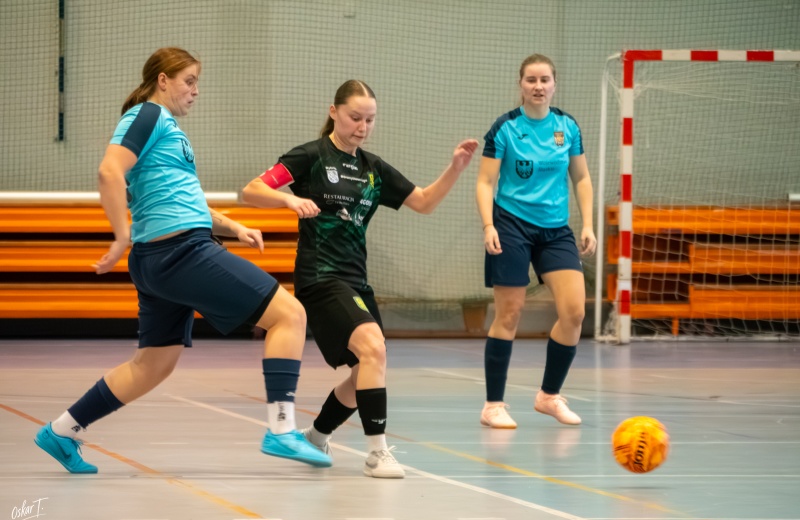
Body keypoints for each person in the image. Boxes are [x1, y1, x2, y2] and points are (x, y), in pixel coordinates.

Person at [33, 47, 331, 473]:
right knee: (290, 315)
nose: (195, 90)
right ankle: (282, 430)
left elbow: (180, 201)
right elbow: (108, 172)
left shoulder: (165, 128)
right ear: (163, 80)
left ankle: (62, 431)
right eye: (189, 80)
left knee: (153, 364)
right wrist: (120, 235)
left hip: (162, 257)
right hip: (180, 253)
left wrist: (234, 227)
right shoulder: (147, 115)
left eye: (196, 82)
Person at [242, 80, 478, 478]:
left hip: (357, 280)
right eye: (355, 117)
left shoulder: (373, 169)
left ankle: (317, 436)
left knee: (367, 367)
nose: (362, 126)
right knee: (373, 349)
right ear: (333, 111)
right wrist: (289, 198)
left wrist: (454, 168)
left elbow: (423, 202)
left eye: (369, 119)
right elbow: (252, 190)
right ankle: (377, 453)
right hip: (321, 276)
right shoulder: (311, 156)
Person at [475, 54, 596, 429]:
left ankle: (549, 396)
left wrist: (587, 224)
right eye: (531, 80)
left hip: (555, 229)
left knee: (574, 312)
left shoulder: (567, 126)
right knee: (509, 313)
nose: (538, 86)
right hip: (510, 224)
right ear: (520, 84)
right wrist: (487, 226)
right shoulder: (505, 128)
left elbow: (581, 178)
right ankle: (493, 405)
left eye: (545, 80)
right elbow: (484, 182)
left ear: (555, 84)